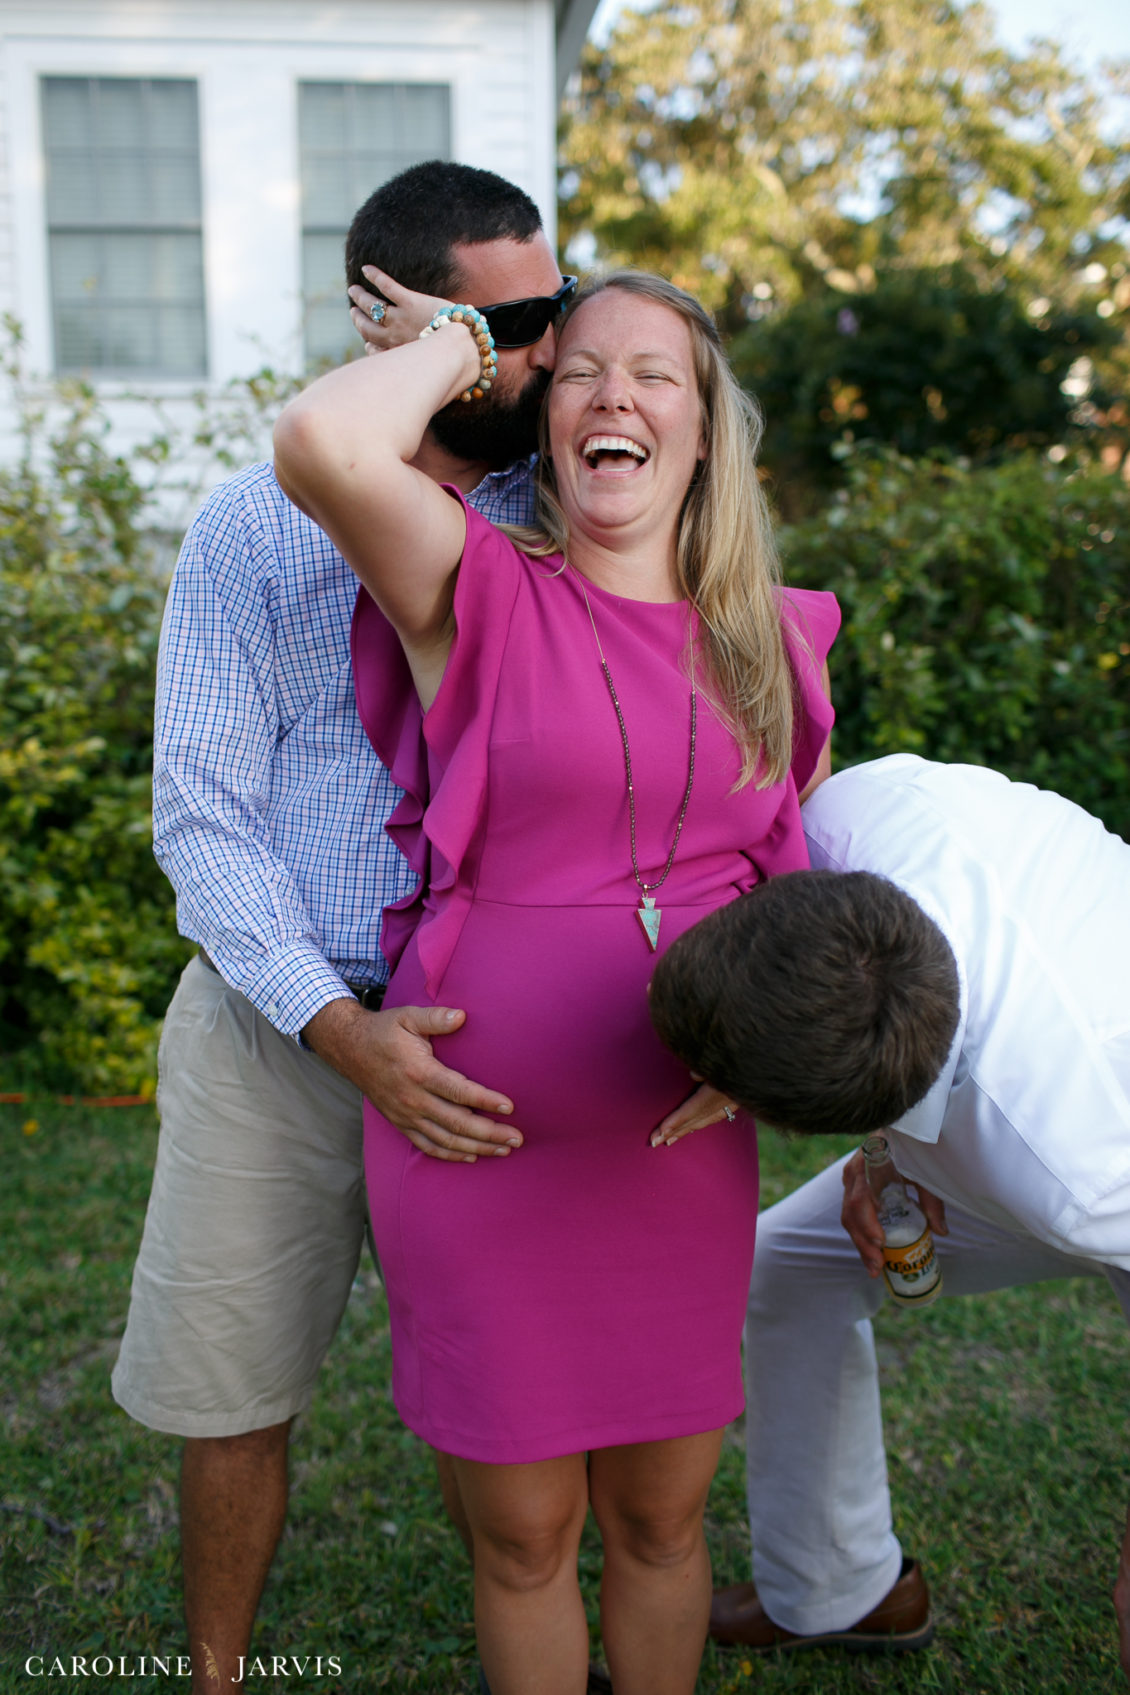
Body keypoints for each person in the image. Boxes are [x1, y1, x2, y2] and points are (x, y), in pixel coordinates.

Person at [273, 266, 838, 1695]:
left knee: (659, 1517)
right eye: (581, 369)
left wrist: (759, 1040)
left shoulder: (768, 636)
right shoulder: (474, 588)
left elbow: (785, 869)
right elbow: (326, 446)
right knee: (521, 1536)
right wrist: (466, 343)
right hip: (481, 1147)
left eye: (655, 372)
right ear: (543, 418)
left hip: (672, 1158)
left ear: (701, 431)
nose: (613, 394)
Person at [111, 160, 578, 1695]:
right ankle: (218, 1674)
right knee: (231, 1394)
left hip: (491, 1035)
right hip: (280, 1026)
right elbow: (203, 819)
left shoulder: (570, 511)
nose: (536, 351)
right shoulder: (254, 528)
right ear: (391, 325)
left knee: (502, 1403)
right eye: (495, 323)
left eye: (547, 308)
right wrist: (335, 1023)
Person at [647, 753, 1130, 1676]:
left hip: (1104, 1151)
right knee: (792, 1264)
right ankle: (839, 1588)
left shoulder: (1072, 1169)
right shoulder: (842, 823)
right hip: (1041, 1058)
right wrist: (882, 1152)